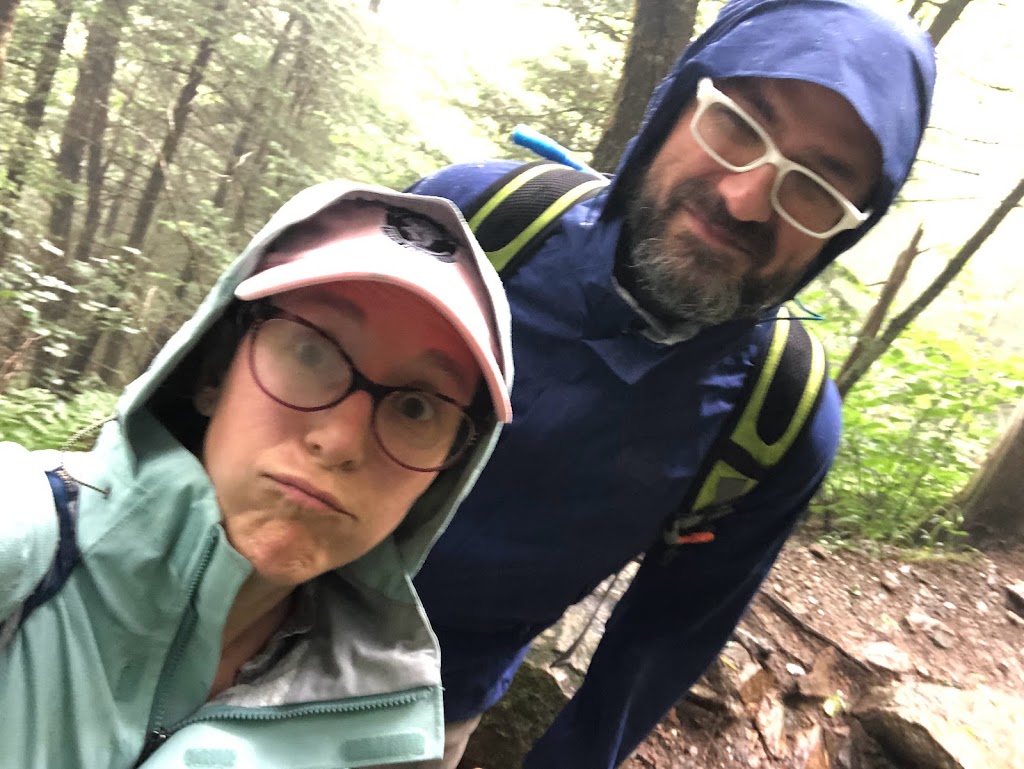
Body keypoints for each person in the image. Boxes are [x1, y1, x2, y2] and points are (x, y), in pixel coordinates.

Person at [406, 1, 937, 767]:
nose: (746, 198)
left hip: (419, 715)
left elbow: (658, 646)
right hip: (223, 602)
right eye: (739, 124)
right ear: (679, 102)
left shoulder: (778, 419)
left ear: (847, 228)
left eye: (817, 184)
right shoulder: (479, 219)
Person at [0, 180, 513, 769]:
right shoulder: (25, 541)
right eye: (311, 352)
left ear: (447, 472)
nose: (340, 441)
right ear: (214, 370)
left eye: (416, 406)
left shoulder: (387, 730)